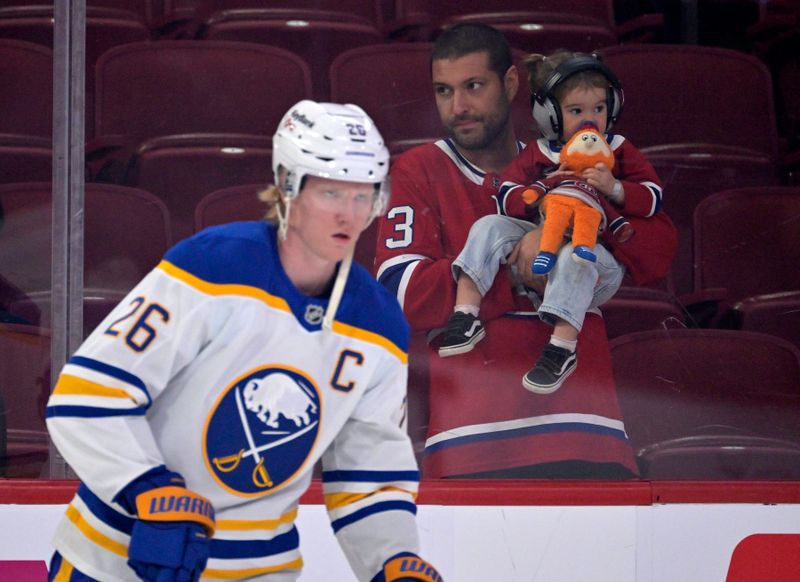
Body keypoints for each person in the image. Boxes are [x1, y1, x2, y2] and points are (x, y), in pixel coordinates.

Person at [45, 100, 442, 582]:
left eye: (363, 195)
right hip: (114, 563)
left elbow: (369, 475)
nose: (349, 214)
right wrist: (144, 488)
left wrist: (392, 559)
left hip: (258, 571)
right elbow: (87, 395)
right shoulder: (213, 267)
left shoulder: (378, 324)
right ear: (287, 186)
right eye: (332, 192)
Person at [375, 23, 641, 479]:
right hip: (473, 438)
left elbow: (622, 261)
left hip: (588, 428)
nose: (458, 107)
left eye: (473, 86)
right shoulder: (418, 170)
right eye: (444, 90)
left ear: (511, 83)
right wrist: (519, 266)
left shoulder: (572, 164)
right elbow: (399, 295)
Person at [437, 50, 664, 396]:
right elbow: (507, 196)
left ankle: (561, 348)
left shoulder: (617, 149)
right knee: (488, 225)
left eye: (599, 109)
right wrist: (539, 196)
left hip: (595, 262)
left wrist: (615, 188)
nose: (590, 120)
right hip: (543, 248)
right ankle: (465, 313)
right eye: (576, 111)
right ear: (549, 115)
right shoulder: (539, 152)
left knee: (575, 253)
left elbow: (653, 198)